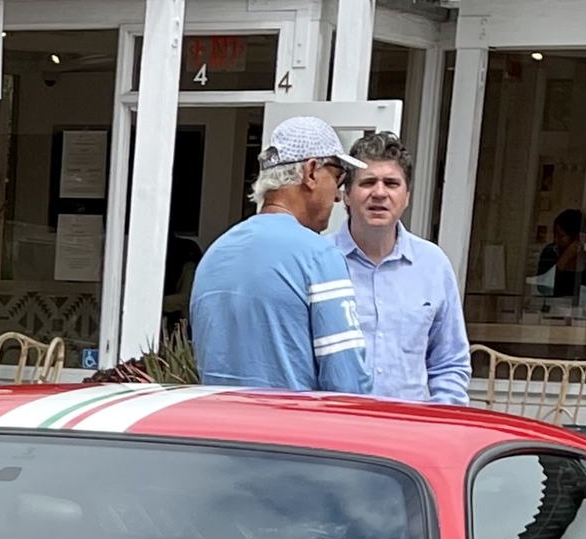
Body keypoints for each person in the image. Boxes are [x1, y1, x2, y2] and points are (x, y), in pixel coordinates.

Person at [188, 117, 371, 393]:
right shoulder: (319, 256)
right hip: (290, 431)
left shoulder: (215, 254)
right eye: (338, 177)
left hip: (218, 429)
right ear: (311, 172)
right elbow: (347, 384)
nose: (337, 196)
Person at [336, 132, 469, 406]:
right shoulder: (317, 262)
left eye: (392, 183)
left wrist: (440, 422)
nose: (379, 193)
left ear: (407, 196)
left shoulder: (433, 266)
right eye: (368, 182)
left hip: (408, 435)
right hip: (336, 432)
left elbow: (450, 362)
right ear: (347, 195)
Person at [534, 209, 586, 306]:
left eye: (561, 236)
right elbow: (543, 288)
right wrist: (566, 256)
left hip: (585, 314)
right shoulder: (550, 252)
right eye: (555, 235)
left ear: (576, 237)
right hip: (554, 312)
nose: (556, 240)